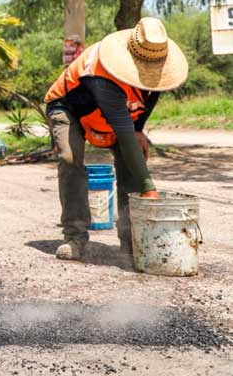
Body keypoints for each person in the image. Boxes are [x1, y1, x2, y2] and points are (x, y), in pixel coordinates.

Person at [44, 17, 188, 262]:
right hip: (70, 109)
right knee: (70, 158)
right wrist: (149, 189)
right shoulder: (103, 74)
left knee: (133, 156)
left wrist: (139, 129)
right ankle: (74, 236)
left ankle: (130, 241)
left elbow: (141, 111)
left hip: (108, 115)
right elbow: (123, 130)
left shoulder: (156, 73)